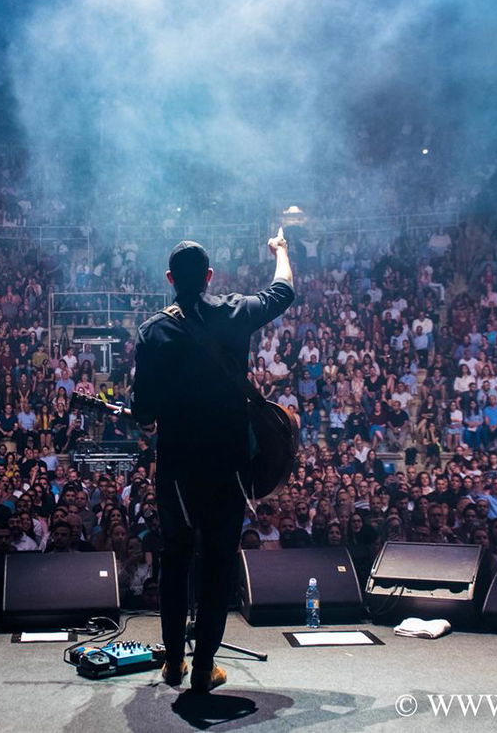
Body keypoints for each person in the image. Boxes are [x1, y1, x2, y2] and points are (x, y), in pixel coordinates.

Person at [132, 234, 294, 693]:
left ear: (170, 279)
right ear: (209, 276)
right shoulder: (235, 311)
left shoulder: (153, 331)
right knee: (219, 561)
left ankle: (173, 663)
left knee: (176, 558)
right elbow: (283, 291)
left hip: (177, 468)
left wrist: (150, 418)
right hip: (227, 464)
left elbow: (143, 412)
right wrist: (280, 251)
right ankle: (204, 667)